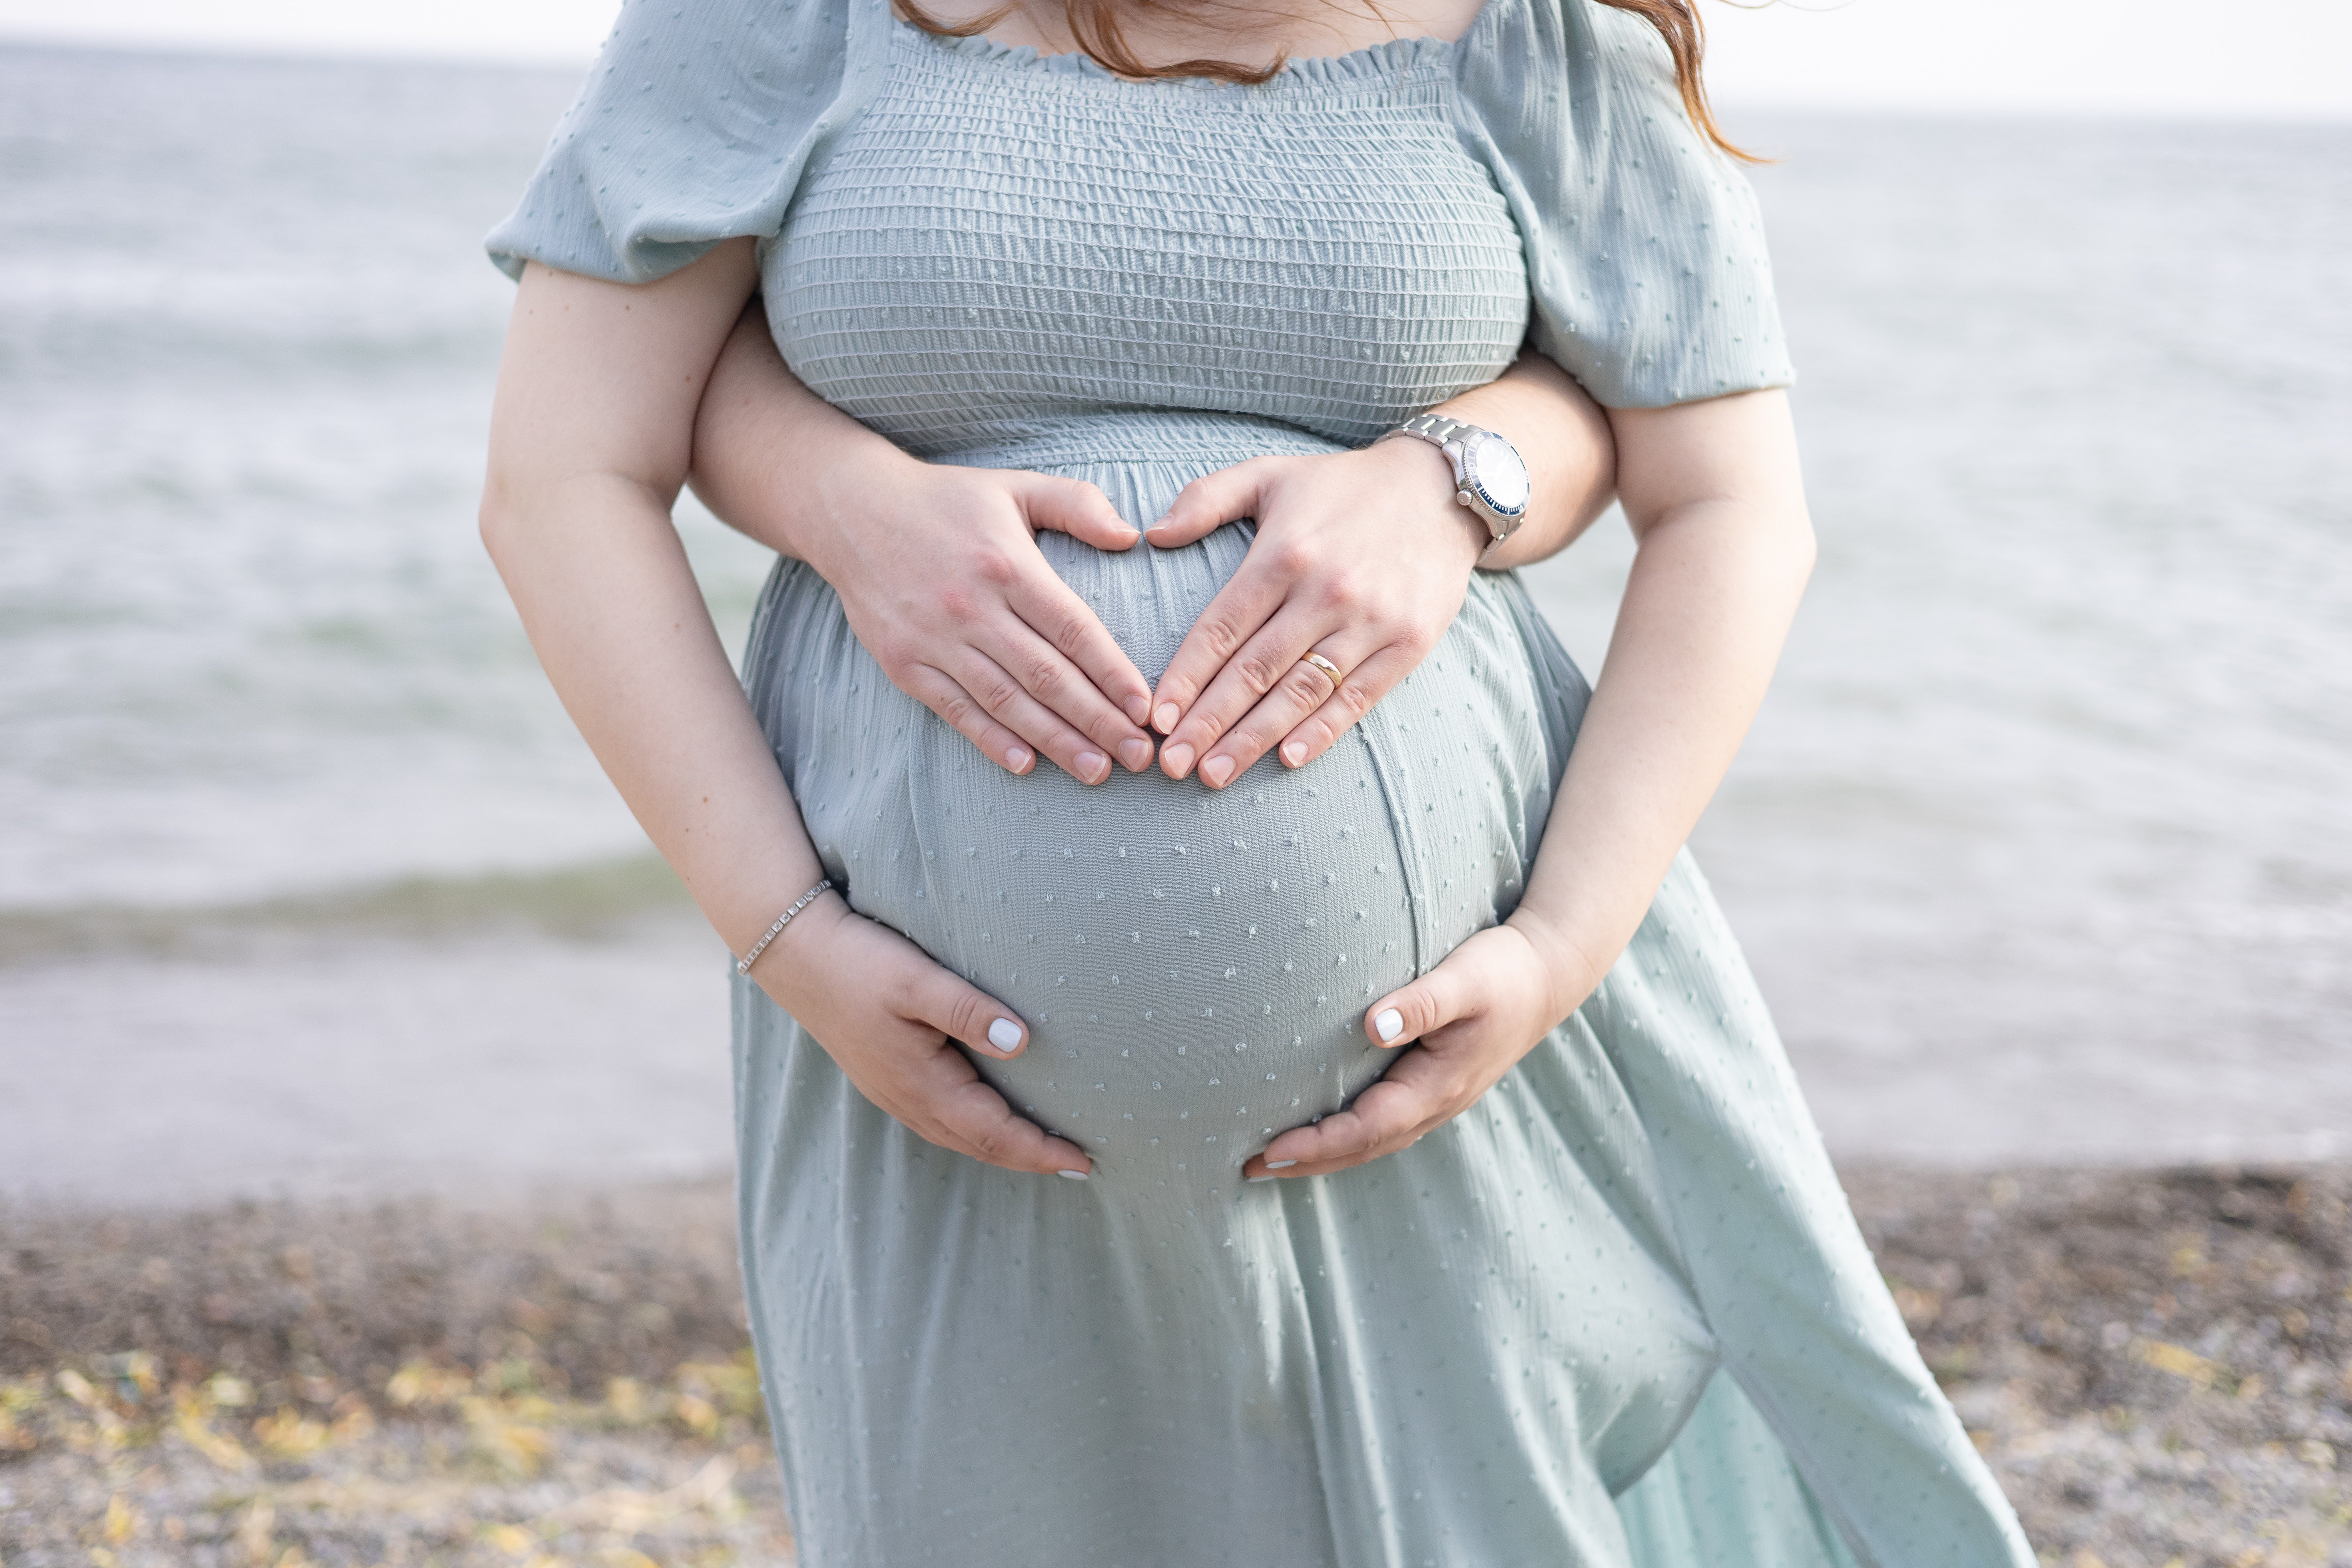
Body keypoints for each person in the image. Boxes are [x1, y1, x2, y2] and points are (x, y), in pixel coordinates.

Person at [478, 0, 2035, 1559]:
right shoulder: (776, 18)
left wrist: (1555, 938)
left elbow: (1729, 507)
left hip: (1465, 1062)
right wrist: (787, 930)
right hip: (923, 1082)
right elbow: (565, 475)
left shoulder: (1542, 36)